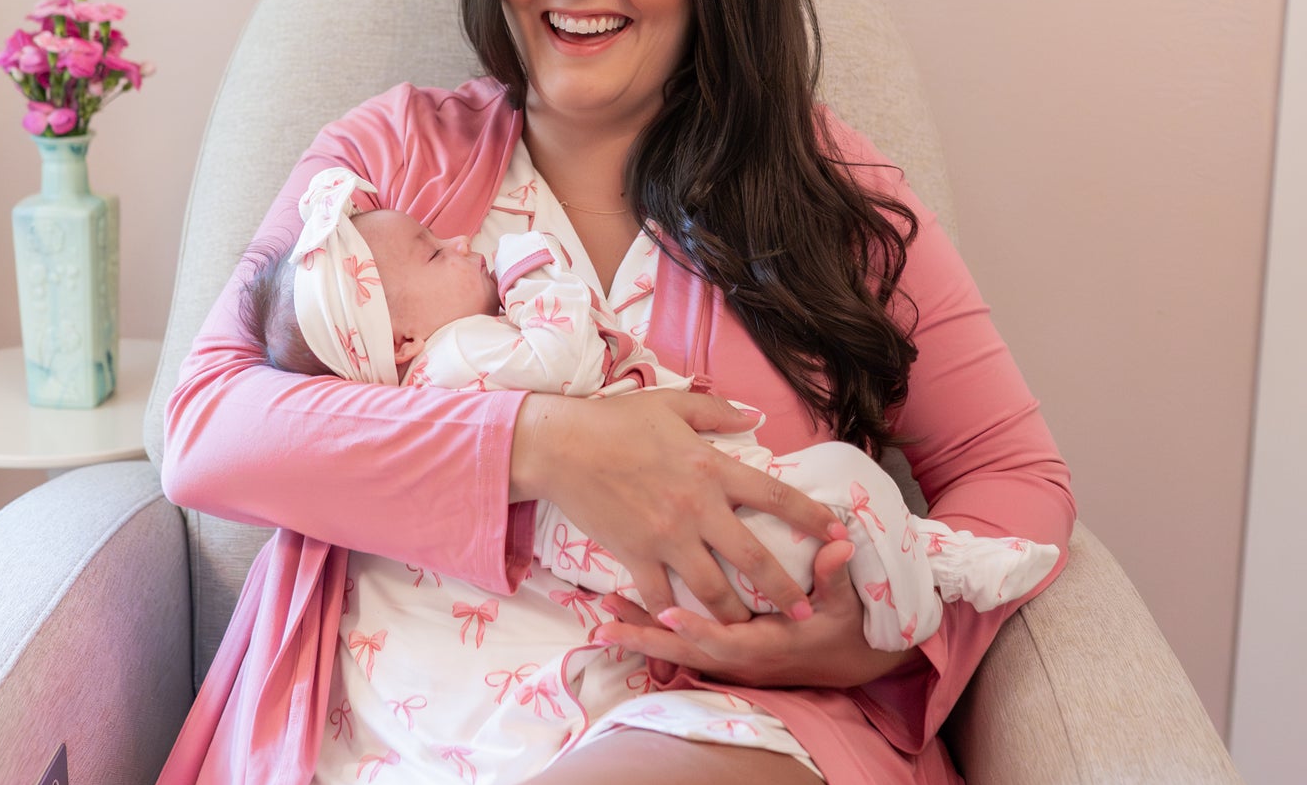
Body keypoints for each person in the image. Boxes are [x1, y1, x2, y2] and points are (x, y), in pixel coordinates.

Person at [38, 0, 1075, 785]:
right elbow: (208, 423)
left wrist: (883, 645)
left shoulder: (827, 191)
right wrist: (547, 446)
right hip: (395, 754)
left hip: (721, 729)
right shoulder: (390, 160)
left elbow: (1016, 480)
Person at [237, 164, 1060, 669]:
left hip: (666, 559)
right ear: (401, 340)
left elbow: (1010, 465)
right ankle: (919, 604)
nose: (458, 243)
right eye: (430, 252)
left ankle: (935, 576)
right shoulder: (456, 359)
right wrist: (533, 269)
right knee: (841, 494)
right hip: (656, 549)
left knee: (839, 506)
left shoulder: (829, 176)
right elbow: (566, 356)